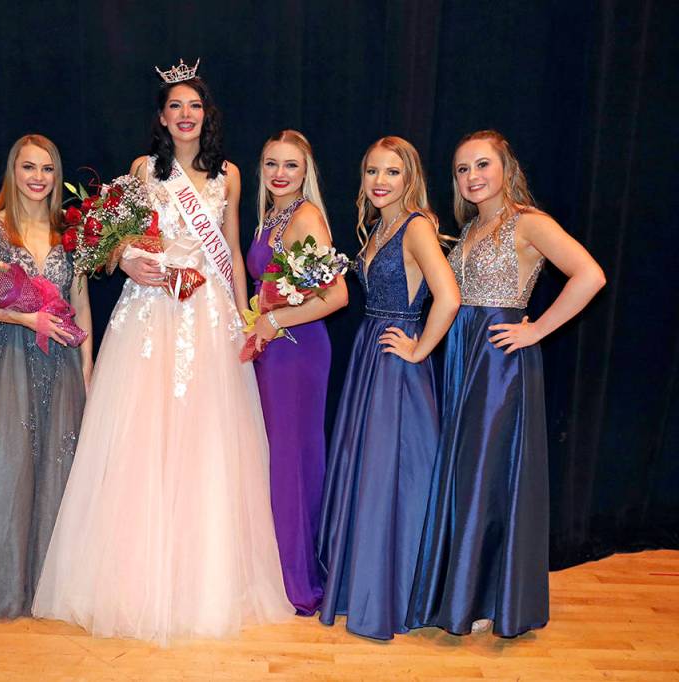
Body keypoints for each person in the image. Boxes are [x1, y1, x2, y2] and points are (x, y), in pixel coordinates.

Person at [32, 61, 292, 643]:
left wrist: (247, 316)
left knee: (206, 440)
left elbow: (228, 243)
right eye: (174, 106)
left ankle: (203, 578)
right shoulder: (143, 170)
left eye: (194, 106)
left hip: (207, 310)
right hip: (150, 307)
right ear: (161, 117)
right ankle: (130, 580)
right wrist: (128, 261)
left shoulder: (228, 174)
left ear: (207, 114)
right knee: (141, 438)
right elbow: (111, 237)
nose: (184, 115)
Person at [408, 130, 606, 637]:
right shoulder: (472, 227)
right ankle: (463, 593)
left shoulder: (528, 222)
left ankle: (481, 599)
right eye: (462, 169)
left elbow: (589, 274)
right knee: (462, 472)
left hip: (498, 361)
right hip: (460, 356)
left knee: (485, 475)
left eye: (482, 165)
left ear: (505, 167)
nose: (472, 176)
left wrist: (536, 328)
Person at [316, 137, 460, 639]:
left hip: (397, 360)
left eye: (392, 172)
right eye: (373, 171)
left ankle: (395, 591)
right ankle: (368, 583)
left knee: (393, 475)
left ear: (410, 178)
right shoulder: (382, 224)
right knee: (372, 472)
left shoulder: (417, 227)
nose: (380, 181)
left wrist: (419, 349)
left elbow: (449, 296)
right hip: (368, 353)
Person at [0, 135, 91, 620]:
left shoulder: (67, 234)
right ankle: (6, 585)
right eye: (29, 167)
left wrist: (88, 375)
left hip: (62, 363)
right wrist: (26, 320)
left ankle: (53, 586)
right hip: (10, 358)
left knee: (59, 467)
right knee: (10, 466)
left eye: (47, 169)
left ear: (57, 177)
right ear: (13, 171)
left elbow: (82, 307)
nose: (38, 177)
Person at [244, 130, 349, 615]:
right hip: (275, 352)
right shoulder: (272, 215)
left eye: (290, 165)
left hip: (299, 353)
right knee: (278, 461)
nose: (279, 173)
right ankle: (280, 567)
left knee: (291, 463)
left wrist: (274, 319)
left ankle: (297, 579)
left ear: (306, 171)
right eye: (271, 164)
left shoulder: (306, 217)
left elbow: (337, 297)